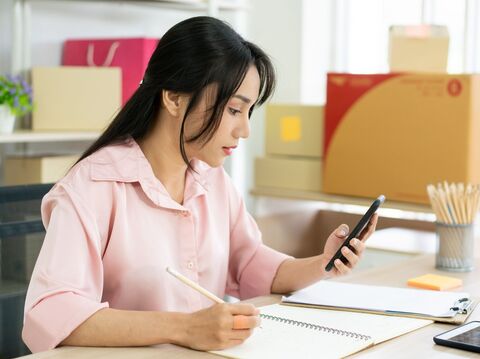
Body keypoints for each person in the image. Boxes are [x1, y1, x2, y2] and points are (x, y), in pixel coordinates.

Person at [22, 16, 378, 353]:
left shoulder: (213, 180)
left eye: (249, 112)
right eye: (234, 110)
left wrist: (323, 263)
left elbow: (250, 263)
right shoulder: (93, 186)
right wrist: (185, 328)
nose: (245, 130)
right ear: (174, 98)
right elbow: (51, 312)